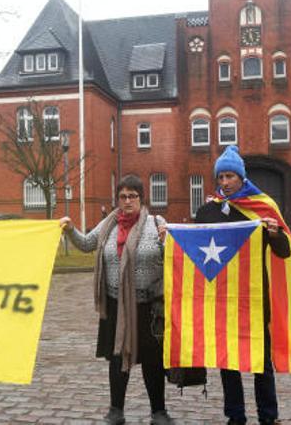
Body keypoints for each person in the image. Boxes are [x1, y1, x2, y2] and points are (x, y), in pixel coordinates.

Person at [60, 175, 173, 425]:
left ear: (141, 199)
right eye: (123, 196)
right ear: (118, 199)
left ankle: (159, 411)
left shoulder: (156, 223)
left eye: (132, 196)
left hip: (149, 307)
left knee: (152, 362)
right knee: (117, 358)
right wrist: (69, 229)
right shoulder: (108, 225)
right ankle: (116, 410)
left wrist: (168, 242)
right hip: (115, 305)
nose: (127, 201)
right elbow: (87, 243)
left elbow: (172, 256)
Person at [193, 146, 291, 425]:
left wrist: (273, 234)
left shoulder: (262, 208)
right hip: (222, 300)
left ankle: (268, 416)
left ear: (241, 177)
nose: (224, 183)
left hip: (254, 299)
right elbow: (193, 250)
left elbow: (283, 251)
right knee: (228, 362)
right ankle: (235, 415)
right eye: (221, 177)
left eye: (230, 176)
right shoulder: (207, 211)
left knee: (261, 361)